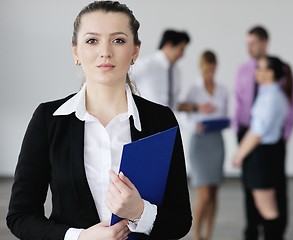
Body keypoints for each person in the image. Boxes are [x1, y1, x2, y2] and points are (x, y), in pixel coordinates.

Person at [6, 2, 192, 240]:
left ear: (135, 51)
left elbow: (180, 221)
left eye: (118, 40)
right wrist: (80, 237)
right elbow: (20, 217)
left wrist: (140, 212)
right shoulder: (48, 120)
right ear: (76, 51)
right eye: (92, 40)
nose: (105, 51)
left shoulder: (161, 120)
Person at [233, 26, 293, 240]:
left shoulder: (272, 95)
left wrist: (240, 154)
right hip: (253, 141)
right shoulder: (263, 86)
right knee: (258, 199)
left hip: (263, 148)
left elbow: (259, 130)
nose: (257, 72)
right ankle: (253, 232)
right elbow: (240, 103)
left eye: (253, 43)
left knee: (269, 204)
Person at [183, 50, 228, 240]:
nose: (209, 73)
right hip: (199, 142)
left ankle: (208, 235)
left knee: (215, 193)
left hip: (216, 140)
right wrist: (196, 123)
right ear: (201, 68)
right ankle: (197, 235)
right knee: (204, 194)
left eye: (212, 69)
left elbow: (225, 114)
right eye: (206, 70)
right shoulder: (193, 90)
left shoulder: (223, 90)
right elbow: (183, 114)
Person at [132, 29, 214, 114]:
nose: (183, 55)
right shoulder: (145, 65)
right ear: (169, 45)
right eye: (181, 49)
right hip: (147, 124)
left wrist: (197, 107)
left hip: (169, 124)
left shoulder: (176, 72)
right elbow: (121, 85)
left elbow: (173, 104)